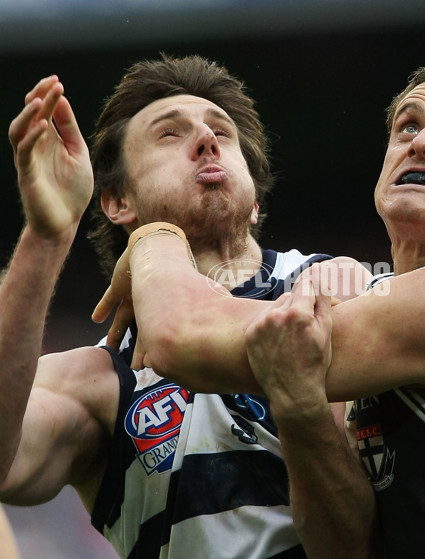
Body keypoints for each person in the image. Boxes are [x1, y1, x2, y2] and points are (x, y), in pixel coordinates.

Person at [95, 51, 425, 558]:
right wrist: (300, 412)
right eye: (406, 127)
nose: (422, 143)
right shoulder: (402, 308)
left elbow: (180, 338)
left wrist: (154, 238)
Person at [0, 54, 367, 559]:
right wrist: (46, 236)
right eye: (169, 134)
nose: (207, 139)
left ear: (255, 197)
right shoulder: (100, 380)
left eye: (222, 131)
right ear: (116, 202)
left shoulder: (330, 283)